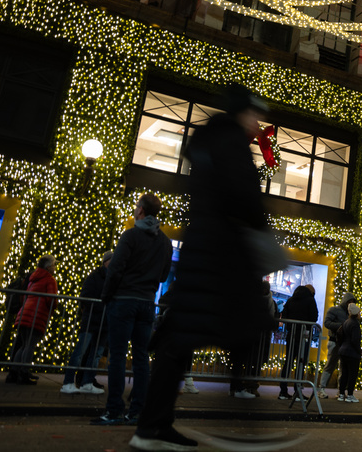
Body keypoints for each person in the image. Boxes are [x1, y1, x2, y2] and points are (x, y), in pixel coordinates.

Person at [130, 87, 275, 451]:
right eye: (254, 115)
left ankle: (152, 426)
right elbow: (243, 196)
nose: (257, 124)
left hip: (202, 254)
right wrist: (262, 230)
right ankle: (239, 418)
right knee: (243, 329)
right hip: (220, 258)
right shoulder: (231, 144)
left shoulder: (208, 142)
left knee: (181, 342)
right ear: (241, 114)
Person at [93, 193, 173, 425]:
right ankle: (137, 410)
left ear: (140, 211)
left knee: (117, 356)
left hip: (123, 301)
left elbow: (115, 269)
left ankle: (114, 410)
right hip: (147, 303)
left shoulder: (131, 235)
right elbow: (164, 275)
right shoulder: (165, 242)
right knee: (141, 357)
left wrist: (106, 296)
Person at [61, 251, 113, 394]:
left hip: (103, 322)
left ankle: (87, 382)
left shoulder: (113, 278)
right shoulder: (95, 277)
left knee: (95, 354)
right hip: (93, 320)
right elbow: (85, 296)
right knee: (81, 351)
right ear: (106, 261)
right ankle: (68, 382)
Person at [7, 255, 58, 385]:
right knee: (30, 345)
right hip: (36, 315)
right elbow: (51, 300)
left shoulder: (33, 278)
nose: (54, 268)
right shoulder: (50, 280)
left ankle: (14, 370)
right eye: (53, 265)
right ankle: (24, 373)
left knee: (23, 344)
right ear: (48, 267)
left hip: (24, 314)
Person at [278, 284, 319, 400]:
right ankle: (298, 391)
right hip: (304, 337)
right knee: (300, 363)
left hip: (291, 335)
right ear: (311, 292)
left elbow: (284, 315)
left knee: (288, 362)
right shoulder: (310, 300)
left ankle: (283, 391)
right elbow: (314, 317)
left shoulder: (291, 299)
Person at [319, 291, 357, 398]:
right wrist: (342, 326)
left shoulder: (350, 314)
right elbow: (327, 323)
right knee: (330, 365)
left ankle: (340, 391)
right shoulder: (334, 310)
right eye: (349, 301)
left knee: (343, 368)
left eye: (352, 302)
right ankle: (321, 388)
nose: (350, 303)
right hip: (334, 341)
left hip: (344, 343)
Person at [335, 303, 362, 403]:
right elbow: (355, 340)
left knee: (344, 373)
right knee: (352, 374)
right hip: (352, 353)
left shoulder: (346, 322)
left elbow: (339, 335)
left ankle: (341, 394)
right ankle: (350, 394)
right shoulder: (355, 324)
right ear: (356, 313)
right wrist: (359, 351)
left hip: (343, 351)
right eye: (359, 312)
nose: (360, 314)